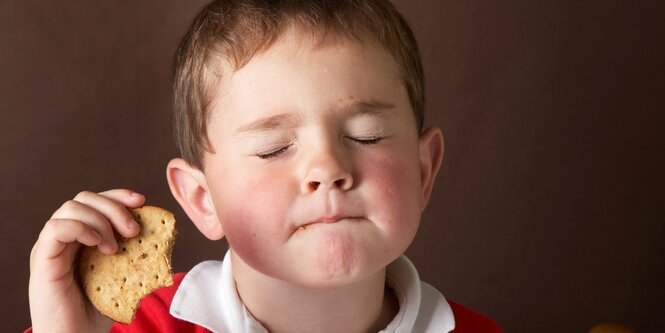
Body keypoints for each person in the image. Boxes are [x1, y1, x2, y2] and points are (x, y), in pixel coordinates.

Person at [27, 0, 503, 332]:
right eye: (275, 147)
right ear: (202, 199)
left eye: (366, 136)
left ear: (423, 171)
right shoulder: (131, 328)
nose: (327, 168)